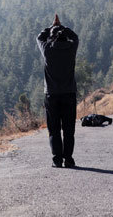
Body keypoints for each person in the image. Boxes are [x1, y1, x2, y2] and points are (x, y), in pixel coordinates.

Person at [36, 14, 79, 168]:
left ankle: (57, 160)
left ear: (52, 37)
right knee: (68, 129)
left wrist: (52, 27)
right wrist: (63, 28)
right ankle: (68, 159)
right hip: (69, 94)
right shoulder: (71, 48)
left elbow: (40, 37)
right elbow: (75, 37)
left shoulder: (48, 50)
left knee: (54, 129)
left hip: (52, 95)